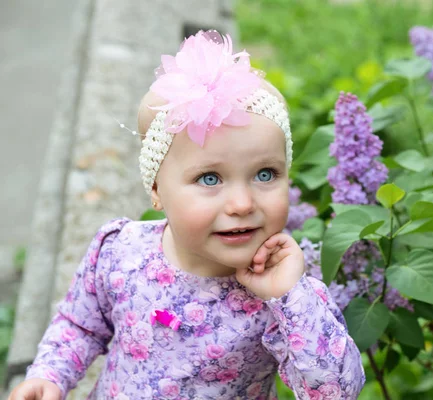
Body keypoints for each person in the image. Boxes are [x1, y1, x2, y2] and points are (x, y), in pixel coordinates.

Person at [8, 30, 365, 400]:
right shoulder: (120, 253)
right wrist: (50, 374)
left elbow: (335, 392)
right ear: (157, 190)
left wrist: (290, 296)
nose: (242, 203)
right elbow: (81, 326)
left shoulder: (283, 297)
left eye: (265, 174)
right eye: (209, 178)